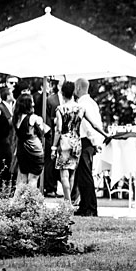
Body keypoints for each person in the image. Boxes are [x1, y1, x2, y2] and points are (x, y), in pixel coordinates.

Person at [53, 81, 106, 211]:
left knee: (70, 175)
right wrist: (104, 135)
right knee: (74, 175)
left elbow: (60, 129)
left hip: (69, 141)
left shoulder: (63, 108)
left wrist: (53, 147)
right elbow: (94, 124)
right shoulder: (84, 106)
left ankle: (72, 203)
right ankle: (76, 203)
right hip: (77, 142)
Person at [72, 78, 105, 217]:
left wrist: (94, 141)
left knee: (85, 174)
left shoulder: (82, 104)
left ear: (78, 87)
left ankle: (90, 207)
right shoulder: (92, 103)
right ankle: (84, 205)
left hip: (86, 140)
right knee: (82, 175)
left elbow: (87, 125)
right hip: (90, 141)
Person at [13, 94, 50, 187]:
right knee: (33, 179)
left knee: (23, 179)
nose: (33, 104)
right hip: (34, 149)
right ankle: (31, 200)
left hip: (21, 149)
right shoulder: (33, 118)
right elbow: (45, 133)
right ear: (28, 104)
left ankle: (19, 201)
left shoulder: (16, 118)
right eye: (32, 101)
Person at [33, 79, 61, 198]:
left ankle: (50, 186)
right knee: (49, 161)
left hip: (49, 131)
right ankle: (49, 187)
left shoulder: (46, 97)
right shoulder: (43, 97)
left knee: (50, 161)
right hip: (47, 132)